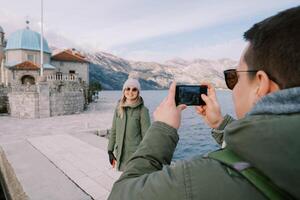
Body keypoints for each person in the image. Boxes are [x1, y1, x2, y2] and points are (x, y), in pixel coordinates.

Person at [108, 6, 300, 199]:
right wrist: (220, 124)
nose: (232, 86)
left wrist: (163, 128)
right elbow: (263, 149)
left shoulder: (200, 181)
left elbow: (121, 195)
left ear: (261, 84)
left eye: (233, 77)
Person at [107, 78, 151, 171]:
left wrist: (144, 157)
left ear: (138, 92)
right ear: (124, 90)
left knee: (133, 183)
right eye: (128, 89)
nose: (130, 92)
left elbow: (147, 137)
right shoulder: (119, 108)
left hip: (135, 157)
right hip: (120, 154)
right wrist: (110, 150)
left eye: (134, 89)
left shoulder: (143, 111)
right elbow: (114, 130)